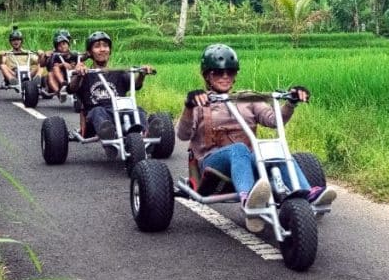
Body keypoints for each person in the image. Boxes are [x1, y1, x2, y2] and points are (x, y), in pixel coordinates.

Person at [177, 43, 336, 232]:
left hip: (249, 161)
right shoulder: (200, 102)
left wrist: (291, 103)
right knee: (240, 150)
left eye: (230, 72)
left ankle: (306, 194)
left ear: (235, 74)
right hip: (212, 163)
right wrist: (189, 106)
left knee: (275, 150)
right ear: (207, 75)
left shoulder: (247, 98)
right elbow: (182, 134)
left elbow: (274, 120)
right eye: (218, 73)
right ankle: (248, 199)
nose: (225, 76)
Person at [68, 31, 154, 140]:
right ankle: (109, 135)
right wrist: (78, 74)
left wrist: (142, 74)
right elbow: (71, 89)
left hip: (120, 114)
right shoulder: (85, 73)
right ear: (90, 52)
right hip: (95, 119)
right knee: (97, 111)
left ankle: (145, 136)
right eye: (97, 46)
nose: (102, 49)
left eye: (105, 46)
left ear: (110, 50)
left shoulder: (118, 73)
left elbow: (135, 85)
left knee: (138, 110)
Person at [42, 29, 82, 100]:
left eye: (64, 43)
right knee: (51, 73)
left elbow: (82, 58)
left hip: (72, 76)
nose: (62, 46)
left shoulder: (74, 53)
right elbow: (48, 66)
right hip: (57, 78)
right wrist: (62, 64)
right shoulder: (54, 54)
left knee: (81, 67)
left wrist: (77, 65)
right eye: (60, 44)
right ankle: (60, 91)